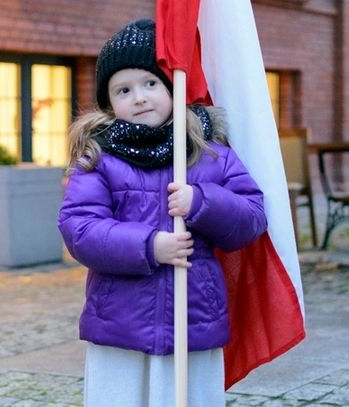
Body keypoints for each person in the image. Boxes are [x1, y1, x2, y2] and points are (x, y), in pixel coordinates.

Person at [58, 18, 267, 407]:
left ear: (174, 86)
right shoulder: (98, 157)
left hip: (193, 318)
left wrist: (202, 202)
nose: (138, 97)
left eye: (150, 83)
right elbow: (79, 227)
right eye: (123, 89)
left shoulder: (209, 153)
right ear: (109, 101)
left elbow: (252, 216)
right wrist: (150, 245)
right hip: (120, 321)